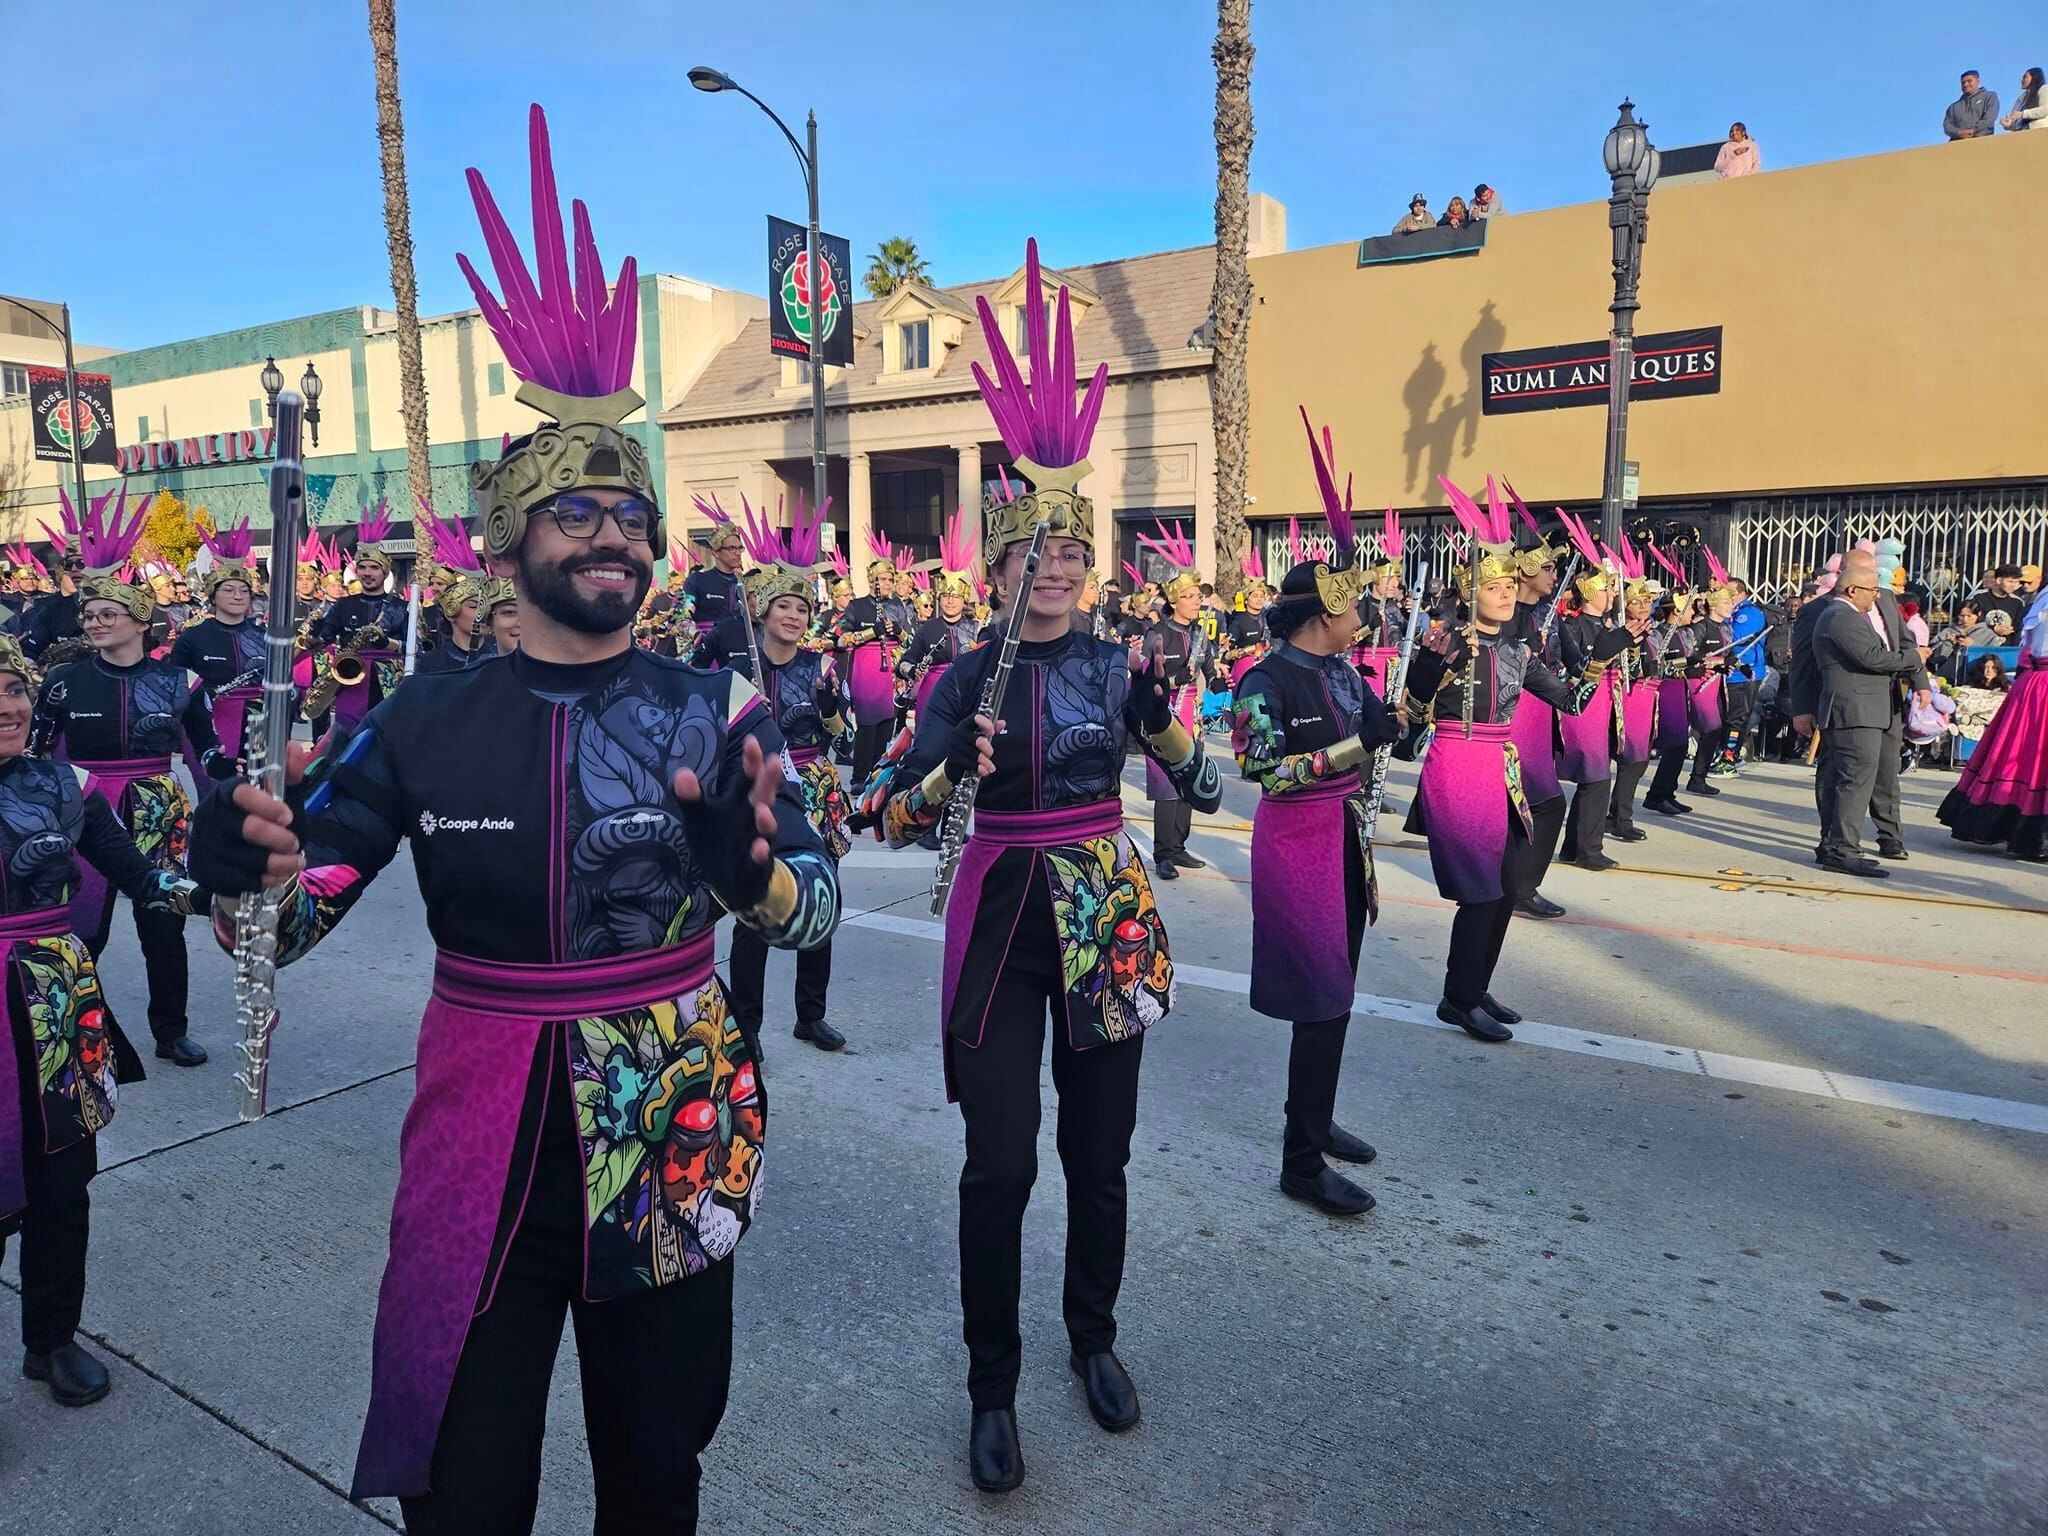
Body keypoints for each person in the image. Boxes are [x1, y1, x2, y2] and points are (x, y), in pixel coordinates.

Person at [189, 106, 839, 1534]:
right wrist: (233, 870)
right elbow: (292, 918)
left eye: (630, 512)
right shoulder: (424, 720)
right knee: (462, 1486)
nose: (610, 533)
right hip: (479, 1119)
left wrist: (755, 880)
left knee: (655, 1477)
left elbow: (819, 898)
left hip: (672, 1104)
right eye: (575, 511)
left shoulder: (716, 701)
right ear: (507, 540)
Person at [866, 241, 1220, 1494]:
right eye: (1035, 555)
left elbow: (1201, 784)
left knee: (1100, 1158)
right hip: (1002, 913)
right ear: (998, 565)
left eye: (1073, 553)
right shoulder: (962, 672)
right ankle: (992, 1384)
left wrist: (1178, 728)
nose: (1058, 569)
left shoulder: (1123, 666)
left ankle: (1094, 1340)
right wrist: (944, 772)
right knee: (1000, 1164)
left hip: (1105, 910)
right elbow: (885, 815)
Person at [0, 633, 195, 1410]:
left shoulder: (65, 784)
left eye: (12, 690)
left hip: (54, 1001)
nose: (5, 707)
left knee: (63, 1185)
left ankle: (50, 1342)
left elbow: (142, 875)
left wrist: (223, 894)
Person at [1230, 419, 1402, 1217]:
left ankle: (1316, 1117)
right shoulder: (1262, 681)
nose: (1362, 612)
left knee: (1341, 991)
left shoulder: (1340, 670)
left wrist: (1428, 680)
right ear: (1320, 612)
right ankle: (1300, 1162)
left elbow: (1388, 732)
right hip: (1296, 842)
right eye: (1353, 603)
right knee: (1320, 995)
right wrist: (1344, 755)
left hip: (1342, 838)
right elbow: (1261, 771)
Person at [1402, 487, 1627, 1043]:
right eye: (1493, 587)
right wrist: (1423, 683)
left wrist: (1600, 659)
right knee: (1480, 890)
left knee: (1504, 887)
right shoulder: (1446, 643)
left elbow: (1572, 701)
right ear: (1469, 591)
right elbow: (1410, 724)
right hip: (1457, 765)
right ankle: (1457, 999)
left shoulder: (1519, 651)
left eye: (1508, 587)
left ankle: (1475, 988)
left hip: (1502, 768)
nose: (1504, 596)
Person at [32, 496, 231, 1071]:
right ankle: (73, 1033)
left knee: (162, 928)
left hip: (158, 812)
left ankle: (171, 1031)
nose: (93, 621)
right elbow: (40, 757)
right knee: (79, 933)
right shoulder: (64, 683)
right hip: (84, 808)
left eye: (107, 614)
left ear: (142, 621)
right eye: (88, 614)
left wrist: (240, 798)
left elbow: (205, 757)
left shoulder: (181, 683)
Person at [722, 501, 850, 1054]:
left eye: (801, 607)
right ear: (764, 612)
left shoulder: (819, 665)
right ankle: (746, 1025)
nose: (794, 616)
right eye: (784, 606)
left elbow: (840, 730)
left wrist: (828, 706)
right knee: (756, 908)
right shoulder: (738, 666)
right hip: (760, 789)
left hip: (814, 786)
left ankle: (810, 1013)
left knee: (817, 897)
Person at [1807, 549, 1932, 877]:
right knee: (1854, 782)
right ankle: (1842, 849)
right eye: (1871, 589)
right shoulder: (1840, 616)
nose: (1877, 595)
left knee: (1860, 780)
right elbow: (1873, 657)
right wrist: (1916, 657)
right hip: (1854, 710)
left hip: (1871, 709)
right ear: (1852, 589)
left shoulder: (1850, 613)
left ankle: (1839, 845)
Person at [1939, 589, 2048, 860]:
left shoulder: (2043, 597)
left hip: (2032, 685)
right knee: (2032, 758)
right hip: (2041, 685)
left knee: (2023, 756)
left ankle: (2014, 825)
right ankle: (2032, 833)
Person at [1138, 524, 1217, 879]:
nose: (1197, 600)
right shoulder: (1158, 634)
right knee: (1166, 785)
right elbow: (1142, 679)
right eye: (1190, 596)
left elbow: (1209, 667)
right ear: (1174, 600)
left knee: (1189, 778)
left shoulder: (1200, 631)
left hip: (1192, 711)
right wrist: (1173, 679)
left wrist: (1216, 677)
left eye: (1199, 595)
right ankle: (1163, 854)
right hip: (1164, 714)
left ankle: (1180, 847)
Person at [1500, 517, 1570, 919]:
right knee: (1540, 803)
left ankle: (1520, 885)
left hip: (1541, 714)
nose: (1553, 575)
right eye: (1547, 568)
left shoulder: (1546, 614)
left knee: (1541, 803)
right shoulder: (1507, 618)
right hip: (1514, 716)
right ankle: (1518, 887)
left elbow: (1564, 661)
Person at [168, 519, 270, 777]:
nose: (238, 596)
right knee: (214, 794)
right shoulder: (192, 637)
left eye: (243, 591)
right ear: (213, 596)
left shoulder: (264, 636)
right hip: (210, 722)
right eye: (229, 590)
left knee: (256, 792)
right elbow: (176, 684)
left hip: (259, 722)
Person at [308, 506, 408, 735]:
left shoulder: (400, 607)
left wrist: (387, 643)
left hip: (389, 683)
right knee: (345, 738)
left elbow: (417, 647)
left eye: (374, 567)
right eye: (362, 567)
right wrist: (316, 635)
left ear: (385, 573)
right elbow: (326, 636)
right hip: (350, 680)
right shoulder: (343, 605)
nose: (367, 572)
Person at [1556, 557, 1623, 871]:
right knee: (1595, 776)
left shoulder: (1608, 624)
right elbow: (1573, 667)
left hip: (1606, 701)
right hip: (1584, 703)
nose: (1612, 594)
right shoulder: (1573, 626)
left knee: (1595, 776)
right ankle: (1588, 849)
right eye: (1607, 588)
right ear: (1591, 592)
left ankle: (1574, 846)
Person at [835, 549, 908, 788]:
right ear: (872, 581)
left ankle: (879, 776)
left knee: (889, 724)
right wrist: (871, 632)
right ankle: (859, 776)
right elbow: (843, 638)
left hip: (893, 667)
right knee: (867, 724)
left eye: (890, 579)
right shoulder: (857, 605)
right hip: (867, 668)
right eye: (882, 579)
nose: (887, 583)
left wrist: (897, 630)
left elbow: (912, 640)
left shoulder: (899, 606)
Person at [411, 504, 510, 676]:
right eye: (474, 606)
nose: (485, 612)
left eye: (488, 605)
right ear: (451, 611)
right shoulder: (430, 665)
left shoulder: (505, 659)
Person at [682, 523, 747, 664]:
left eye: (739, 548)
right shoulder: (698, 580)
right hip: (708, 653)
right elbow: (682, 617)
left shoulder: (748, 583)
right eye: (731, 548)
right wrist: (697, 636)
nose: (737, 553)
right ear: (715, 552)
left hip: (742, 652)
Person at [1949, 653, 2011, 747]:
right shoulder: (1972, 684)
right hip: (1971, 713)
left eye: (1993, 667)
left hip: (1991, 716)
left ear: (1998, 669)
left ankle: (1972, 721)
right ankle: (1969, 721)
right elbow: (1964, 694)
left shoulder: (2005, 686)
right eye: (1986, 667)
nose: (1989, 671)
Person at [1967, 566, 2028, 633]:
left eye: (2016, 582)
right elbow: (1969, 622)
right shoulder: (1979, 598)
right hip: (1982, 642)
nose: (2013, 585)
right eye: (2010, 581)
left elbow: (2019, 628)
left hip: (2008, 643)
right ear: (1998, 580)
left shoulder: (2017, 603)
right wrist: (1993, 628)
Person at [1944, 70, 2000, 139]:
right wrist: (1959, 133)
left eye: (1969, 81)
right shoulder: (1953, 107)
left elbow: (1990, 117)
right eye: (1963, 82)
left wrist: (1973, 131)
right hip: (1958, 144)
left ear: (1978, 80)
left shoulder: (1989, 96)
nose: (1966, 84)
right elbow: (1947, 126)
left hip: (1982, 141)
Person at [1999, 67, 2046, 132]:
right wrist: (2008, 124)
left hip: (2039, 133)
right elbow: (2016, 123)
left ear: (2034, 77)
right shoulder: (2021, 98)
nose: (2021, 80)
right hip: (2022, 135)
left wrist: (2022, 114)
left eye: (2025, 77)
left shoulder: (2044, 89)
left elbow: (2045, 110)